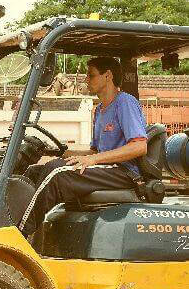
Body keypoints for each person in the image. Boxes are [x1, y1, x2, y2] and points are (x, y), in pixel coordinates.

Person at [20, 56, 148, 235]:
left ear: (108, 76)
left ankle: (20, 233)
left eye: (91, 75)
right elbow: (94, 151)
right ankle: (15, 222)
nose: (86, 80)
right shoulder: (99, 110)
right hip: (106, 167)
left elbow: (139, 146)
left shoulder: (124, 102)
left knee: (57, 174)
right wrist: (58, 152)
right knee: (36, 170)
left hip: (124, 172)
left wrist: (92, 159)